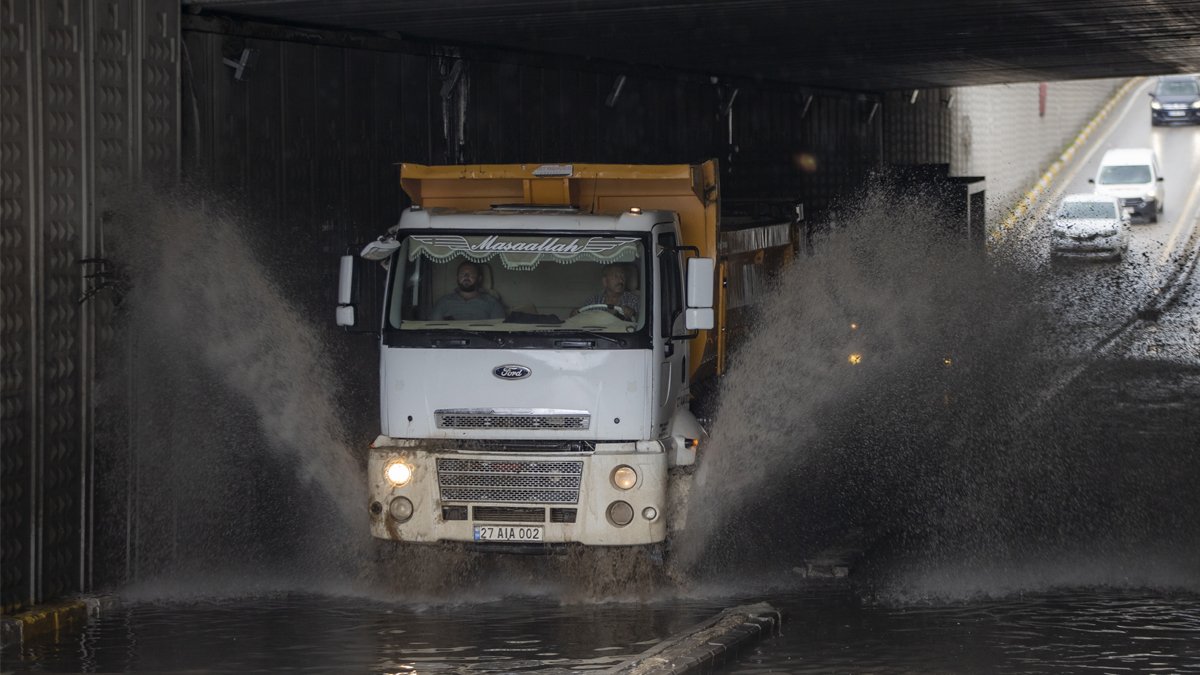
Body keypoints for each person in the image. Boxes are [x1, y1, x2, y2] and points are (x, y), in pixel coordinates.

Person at [430, 261, 505, 320]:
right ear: (457, 278)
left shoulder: (492, 304)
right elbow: (432, 330)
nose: (466, 277)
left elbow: (499, 331)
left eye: (471, 274)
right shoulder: (443, 303)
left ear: (479, 278)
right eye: (462, 274)